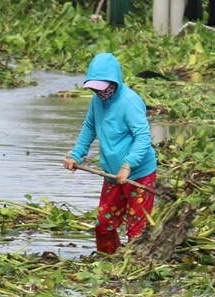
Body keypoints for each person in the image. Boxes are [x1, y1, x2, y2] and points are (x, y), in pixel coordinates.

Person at [64, 53, 158, 254]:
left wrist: (128, 165)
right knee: (104, 222)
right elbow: (89, 128)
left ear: (113, 82)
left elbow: (143, 138)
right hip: (112, 175)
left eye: (103, 88)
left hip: (138, 174)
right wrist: (76, 155)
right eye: (95, 89)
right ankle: (108, 260)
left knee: (136, 228)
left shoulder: (129, 102)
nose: (100, 93)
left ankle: (134, 267)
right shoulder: (97, 102)